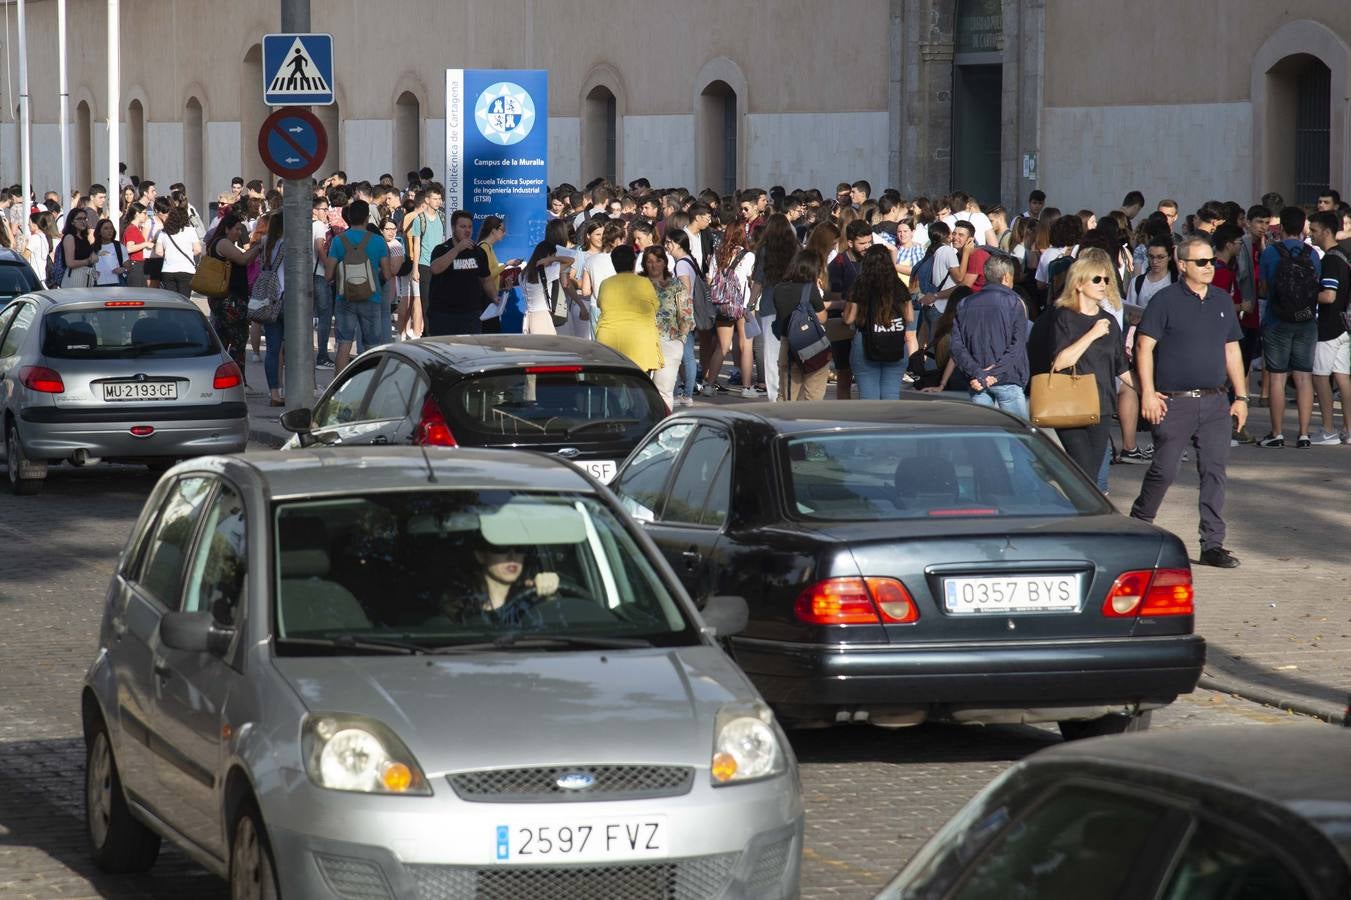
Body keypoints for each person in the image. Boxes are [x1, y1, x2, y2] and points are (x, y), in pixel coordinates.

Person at [1130, 235, 1249, 569]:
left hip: (1215, 403)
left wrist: (1240, 397)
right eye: (1201, 262)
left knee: (1214, 472)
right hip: (1174, 403)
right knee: (1164, 470)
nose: (1209, 267)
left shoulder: (1223, 300)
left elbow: (1232, 350)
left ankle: (1212, 544)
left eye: (1211, 260)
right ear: (1182, 265)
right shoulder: (1164, 300)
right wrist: (1148, 393)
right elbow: (1144, 347)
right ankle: (1138, 529)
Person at [1048, 253, 1134, 479]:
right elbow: (1060, 362)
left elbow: (1121, 367)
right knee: (1083, 471)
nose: (1103, 284)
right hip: (1070, 405)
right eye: (1097, 279)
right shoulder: (1064, 317)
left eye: (1107, 280)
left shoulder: (1110, 321)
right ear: (1078, 283)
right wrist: (1092, 334)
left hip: (1103, 406)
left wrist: (1149, 392)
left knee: (1092, 474)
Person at [1257, 206, 1320, 448]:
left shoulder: (1271, 253)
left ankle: (1277, 433)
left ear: (1281, 227)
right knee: (1304, 377)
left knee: (1277, 378)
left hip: (1277, 320)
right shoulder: (1312, 254)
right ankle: (1304, 434)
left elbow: (1263, 289)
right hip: (1306, 321)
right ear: (1303, 227)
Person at [949, 255, 1030, 418]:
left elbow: (956, 347)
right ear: (1007, 277)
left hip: (977, 380)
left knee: (984, 436)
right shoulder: (1015, 302)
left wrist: (979, 373)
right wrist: (992, 374)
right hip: (1007, 378)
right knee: (1019, 438)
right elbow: (1018, 346)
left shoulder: (964, 303)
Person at [430, 538, 561, 628]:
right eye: (501, 547)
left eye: (520, 548)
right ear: (480, 556)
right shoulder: (457, 602)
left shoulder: (533, 598)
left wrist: (550, 596)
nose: (512, 556)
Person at [844, 244, 917, 399]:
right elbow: (910, 318)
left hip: (865, 343)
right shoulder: (899, 287)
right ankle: (890, 422)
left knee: (868, 397)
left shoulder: (860, 285)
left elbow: (849, 318)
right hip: (895, 343)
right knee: (891, 394)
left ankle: (872, 423)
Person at [326, 200, 392, 368]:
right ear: (367, 218)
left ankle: (338, 391)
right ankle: (371, 389)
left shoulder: (338, 241)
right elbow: (387, 274)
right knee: (372, 348)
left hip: (344, 298)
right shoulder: (378, 241)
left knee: (344, 346)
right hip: (372, 297)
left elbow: (328, 275)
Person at [1308, 210, 1350, 444]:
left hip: (1328, 328)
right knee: (1343, 378)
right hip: (1344, 327)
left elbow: (1328, 296)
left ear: (1326, 231)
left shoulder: (1331, 260)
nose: (1311, 235)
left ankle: (1327, 428)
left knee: (1320, 377)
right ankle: (1348, 428)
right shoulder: (1344, 255)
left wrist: (1308, 292)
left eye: (1314, 230)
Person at [204, 212, 266, 373]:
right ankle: (236, 377)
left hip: (225, 298)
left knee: (223, 338)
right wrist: (259, 247)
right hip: (230, 299)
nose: (240, 233)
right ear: (226, 229)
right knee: (238, 339)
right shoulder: (223, 243)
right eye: (237, 229)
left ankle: (222, 375)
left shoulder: (221, 242)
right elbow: (242, 259)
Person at [703, 224, 757, 398]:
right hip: (742, 305)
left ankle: (709, 385)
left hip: (722, 305)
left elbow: (710, 280)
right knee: (745, 345)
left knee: (722, 346)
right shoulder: (748, 256)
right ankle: (747, 388)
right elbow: (752, 279)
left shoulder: (718, 254)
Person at [772, 250, 830, 401]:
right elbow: (822, 318)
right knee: (813, 396)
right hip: (812, 346)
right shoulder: (810, 289)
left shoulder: (778, 288)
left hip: (787, 345)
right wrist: (819, 293)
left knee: (786, 396)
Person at [425, 209, 494, 337]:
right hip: (444, 315)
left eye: (470, 227)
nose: (467, 230)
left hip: (471, 314)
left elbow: (486, 279)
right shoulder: (441, 249)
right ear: (453, 228)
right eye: (462, 227)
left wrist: (495, 297)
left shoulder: (479, 252)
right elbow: (435, 269)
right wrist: (457, 249)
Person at [595, 246, 663, 373]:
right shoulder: (644, 283)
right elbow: (656, 306)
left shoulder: (606, 284)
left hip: (609, 341)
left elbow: (601, 304)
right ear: (634, 261)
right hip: (640, 342)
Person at [645, 244, 693, 410]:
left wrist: (681, 339)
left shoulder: (675, 285)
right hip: (642, 342)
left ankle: (663, 426)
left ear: (664, 262)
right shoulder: (640, 284)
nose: (654, 265)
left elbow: (686, 314)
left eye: (658, 261)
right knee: (642, 390)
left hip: (669, 341)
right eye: (649, 261)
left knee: (664, 389)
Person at [258, 214, 287, 407]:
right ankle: (293, 390)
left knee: (272, 349)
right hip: (288, 298)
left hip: (269, 299)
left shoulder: (265, 242)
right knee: (293, 349)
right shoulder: (290, 242)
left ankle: (274, 393)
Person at [154, 207, 202, 299]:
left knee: (171, 301)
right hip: (186, 270)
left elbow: (158, 251)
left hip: (167, 270)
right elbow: (198, 249)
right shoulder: (190, 230)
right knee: (184, 301)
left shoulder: (164, 232)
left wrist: (169, 255)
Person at [90, 219, 128, 286]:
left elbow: (128, 267)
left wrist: (123, 269)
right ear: (99, 232)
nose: (110, 231)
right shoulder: (92, 248)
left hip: (117, 284)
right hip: (98, 284)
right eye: (106, 228)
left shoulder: (119, 246)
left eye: (111, 228)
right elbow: (89, 266)